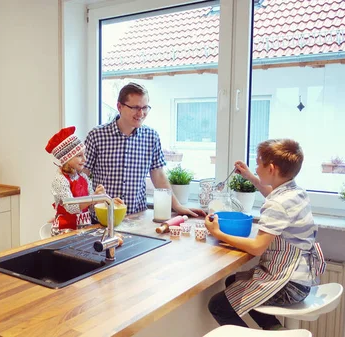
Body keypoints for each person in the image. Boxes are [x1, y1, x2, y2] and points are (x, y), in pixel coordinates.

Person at [206, 139, 326, 330]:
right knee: (232, 282)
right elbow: (273, 194)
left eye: (258, 164)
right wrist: (250, 177)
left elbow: (257, 247)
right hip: (303, 279)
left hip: (289, 285)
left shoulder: (276, 204)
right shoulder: (295, 192)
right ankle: (276, 331)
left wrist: (218, 233)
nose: (256, 168)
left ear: (271, 168)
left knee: (218, 306)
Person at [84, 82, 204, 217]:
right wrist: (77, 208)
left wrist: (177, 206)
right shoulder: (96, 135)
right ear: (119, 106)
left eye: (145, 107)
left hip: (137, 216)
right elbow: (82, 175)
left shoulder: (151, 137)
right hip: (102, 217)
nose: (141, 113)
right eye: (135, 107)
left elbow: (158, 176)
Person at [46, 126, 121, 235]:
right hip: (66, 231)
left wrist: (105, 199)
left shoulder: (83, 178)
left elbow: (91, 206)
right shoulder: (60, 180)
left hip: (83, 228)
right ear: (67, 159)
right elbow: (71, 207)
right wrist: (93, 197)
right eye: (79, 155)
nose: (85, 159)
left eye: (84, 154)